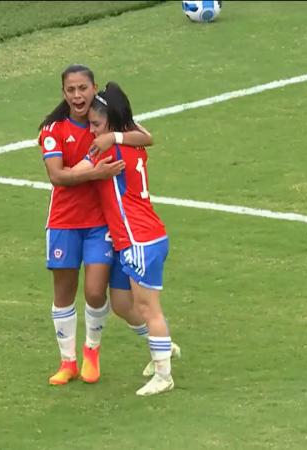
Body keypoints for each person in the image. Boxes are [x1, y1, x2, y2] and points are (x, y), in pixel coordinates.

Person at [38, 64, 161, 386]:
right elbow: (57, 176)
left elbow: (146, 136)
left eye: (82, 88)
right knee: (63, 291)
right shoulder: (53, 130)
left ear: (94, 89)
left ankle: (92, 352)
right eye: (71, 90)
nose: (77, 95)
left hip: (99, 224)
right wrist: (97, 174)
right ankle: (68, 362)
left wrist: (113, 138)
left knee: (95, 291)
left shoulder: (107, 121)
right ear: (63, 94)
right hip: (64, 220)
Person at [71, 81, 177, 396]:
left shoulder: (111, 150)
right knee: (120, 303)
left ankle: (164, 374)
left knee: (148, 308)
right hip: (129, 240)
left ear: (112, 122)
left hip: (141, 239)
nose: (91, 131)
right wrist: (112, 134)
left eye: (96, 124)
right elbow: (144, 134)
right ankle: (163, 346)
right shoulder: (130, 142)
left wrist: (59, 173)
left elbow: (77, 171)